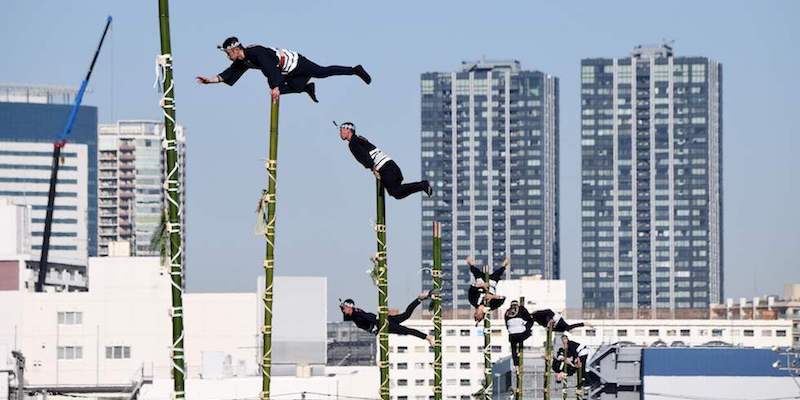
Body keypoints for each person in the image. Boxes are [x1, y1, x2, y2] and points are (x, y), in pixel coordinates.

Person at [196, 36, 371, 103]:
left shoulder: (255, 52)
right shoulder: (243, 60)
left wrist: (276, 87)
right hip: (287, 72)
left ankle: (354, 70)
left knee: (322, 72)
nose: (227, 56)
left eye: (228, 53)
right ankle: (306, 88)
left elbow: (270, 69)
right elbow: (230, 73)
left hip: (297, 63)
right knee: (290, 88)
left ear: (235, 50)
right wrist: (210, 80)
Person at [338, 122, 432, 199]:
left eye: (342, 129)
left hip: (385, 168)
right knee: (397, 194)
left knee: (395, 192)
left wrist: (372, 167)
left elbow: (362, 156)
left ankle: (423, 185)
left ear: (348, 130)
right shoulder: (359, 139)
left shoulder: (353, 143)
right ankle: (422, 186)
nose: (340, 132)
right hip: (391, 166)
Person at [340, 292, 434, 346]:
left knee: (407, 330)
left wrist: (375, 328)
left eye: (344, 308)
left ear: (349, 307)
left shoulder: (357, 313)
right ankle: (419, 299)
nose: (343, 310)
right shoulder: (353, 314)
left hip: (382, 324)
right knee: (406, 315)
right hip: (383, 321)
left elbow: (368, 317)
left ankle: (428, 337)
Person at [467, 256, 508, 323]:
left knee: (476, 273)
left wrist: (481, 285)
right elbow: (503, 298)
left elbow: (472, 288)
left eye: (476, 315)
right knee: (497, 274)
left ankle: (471, 264)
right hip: (491, 283)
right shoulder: (491, 306)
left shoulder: (473, 301)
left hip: (480, 282)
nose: (478, 313)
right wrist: (492, 296)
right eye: (479, 316)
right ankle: (504, 265)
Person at [504, 299, 534, 368]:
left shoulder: (507, 312)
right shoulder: (521, 308)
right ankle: (520, 351)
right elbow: (529, 318)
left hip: (512, 335)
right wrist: (526, 326)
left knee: (513, 347)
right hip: (521, 334)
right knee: (529, 332)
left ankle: (515, 363)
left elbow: (507, 325)